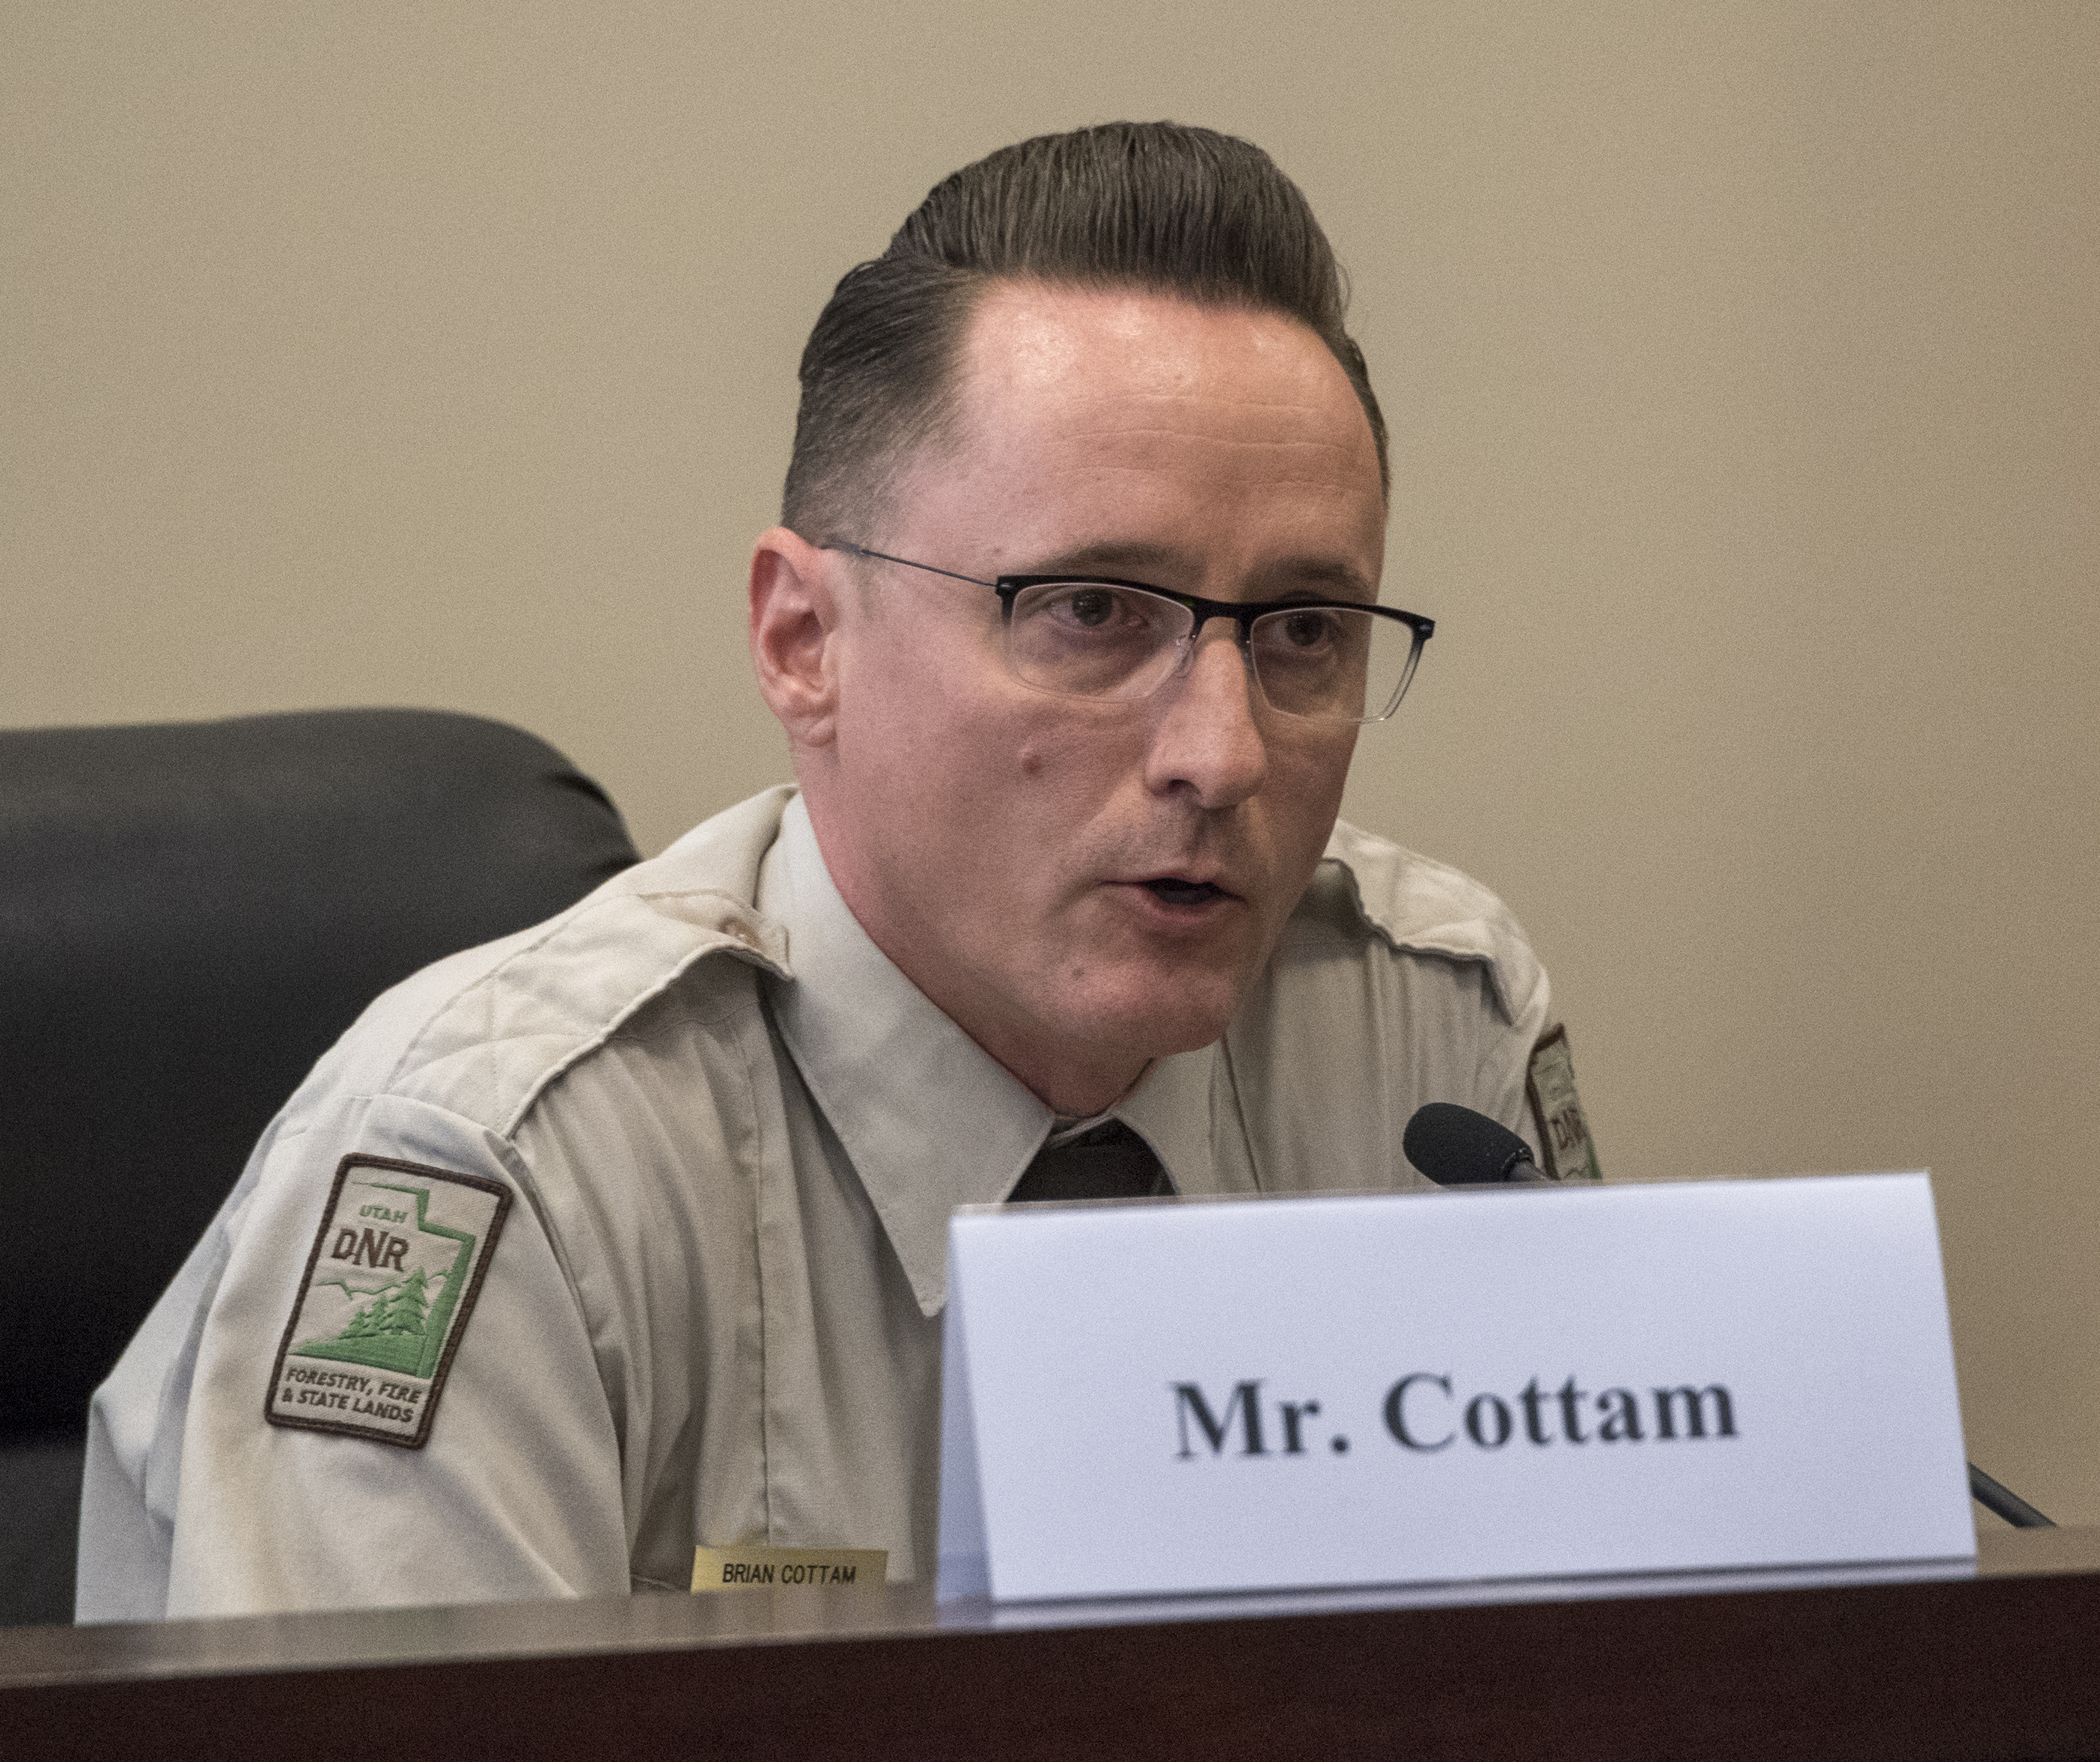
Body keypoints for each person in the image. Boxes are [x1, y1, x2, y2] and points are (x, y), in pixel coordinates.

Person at [77, 121, 1593, 1622]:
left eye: (1304, 632)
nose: (1222, 751)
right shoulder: (496, 1171)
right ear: (805, 641)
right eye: (1087, 610)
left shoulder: (1425, 1041)